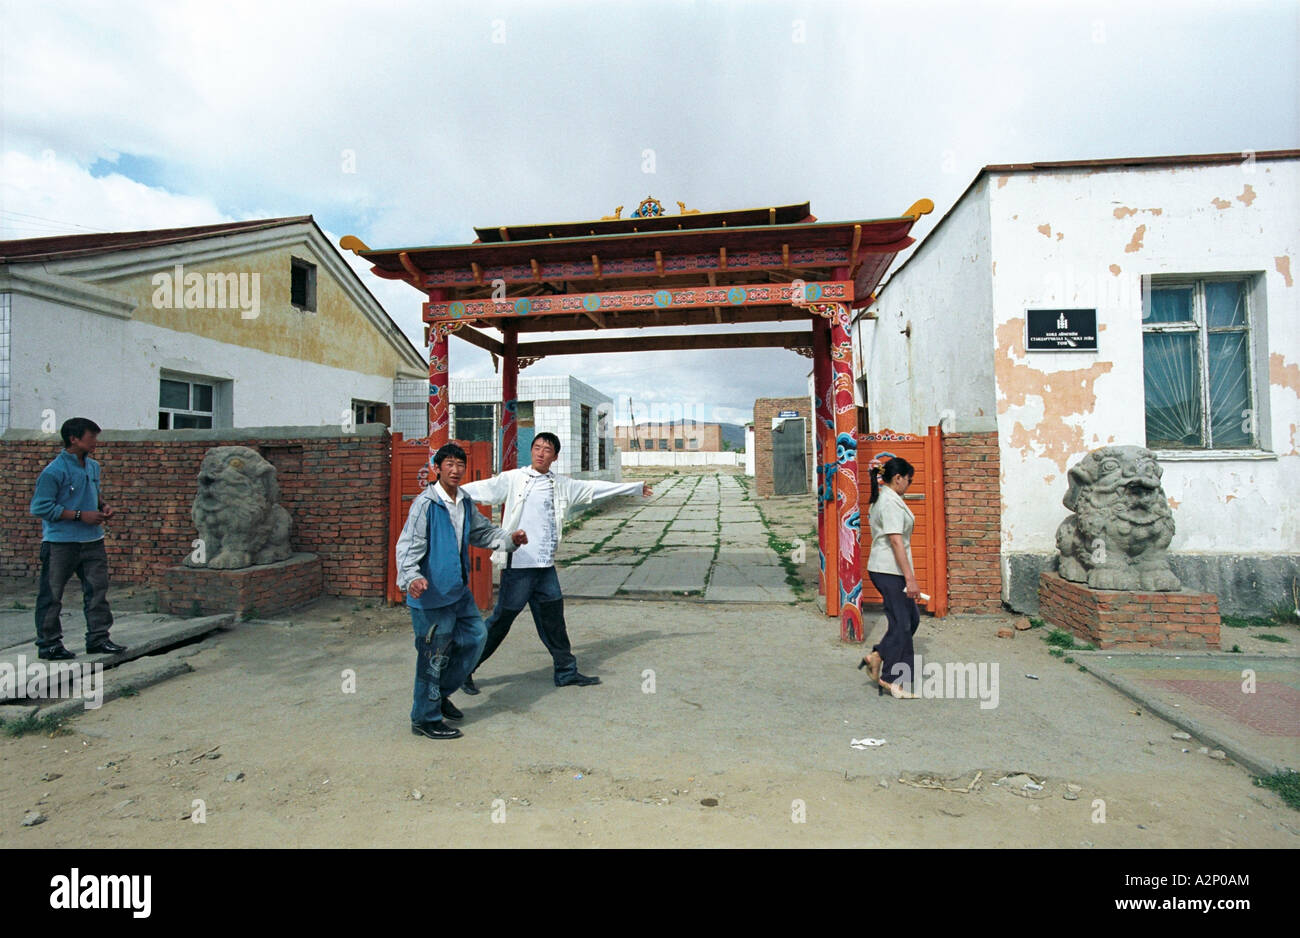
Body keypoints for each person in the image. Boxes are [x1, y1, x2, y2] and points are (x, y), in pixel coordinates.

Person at [459, 432, 651, 692]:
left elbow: (595, 488)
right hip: (519, 566)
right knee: (500, 622)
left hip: (544, 567)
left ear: (555, 456)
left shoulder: (561, 484)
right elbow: (484, 488)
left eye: (546, 449)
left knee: (554, 621)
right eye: (537, 448)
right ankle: (462, 670)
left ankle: (566, 671)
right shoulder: (515, 478)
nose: (540, 453)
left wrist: (635, 487)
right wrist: (448, 493)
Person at [395, 443, 528, 740]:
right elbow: (407, 546)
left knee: (476, 639)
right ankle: (425, 718)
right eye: (449, 464)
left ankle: (438, 695)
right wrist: (411, 577)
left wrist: (510, 539)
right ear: (437, 468)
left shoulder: (464, 501)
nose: (455, 470)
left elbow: (481, 532)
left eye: (460, 465)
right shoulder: (426, 505)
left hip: (458, 591)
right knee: (433, 656)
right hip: (430, 596)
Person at [29, 417, 126, 660]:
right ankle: (49, 644)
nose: (95, 441)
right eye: (91, 436)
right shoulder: (53, 471)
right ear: (74, 438)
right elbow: (40, 507)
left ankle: (99, 638)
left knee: (97, 592)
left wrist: (103, 507)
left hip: (92, 541)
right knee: (52, 595)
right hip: (61, 544)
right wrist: (81, 515)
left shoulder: (93, 467)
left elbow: (92, 494)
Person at [858, 456, 921, 698]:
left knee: (910, 620)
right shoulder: (890, 502)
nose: (909, 484)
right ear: (898, 478)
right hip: (889, 569)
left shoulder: (884, 498)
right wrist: (910, 578)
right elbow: (896, 541)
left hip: (888, 568)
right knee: (903, 624)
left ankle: (876, 657)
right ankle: (892, 679)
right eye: (909, 480)